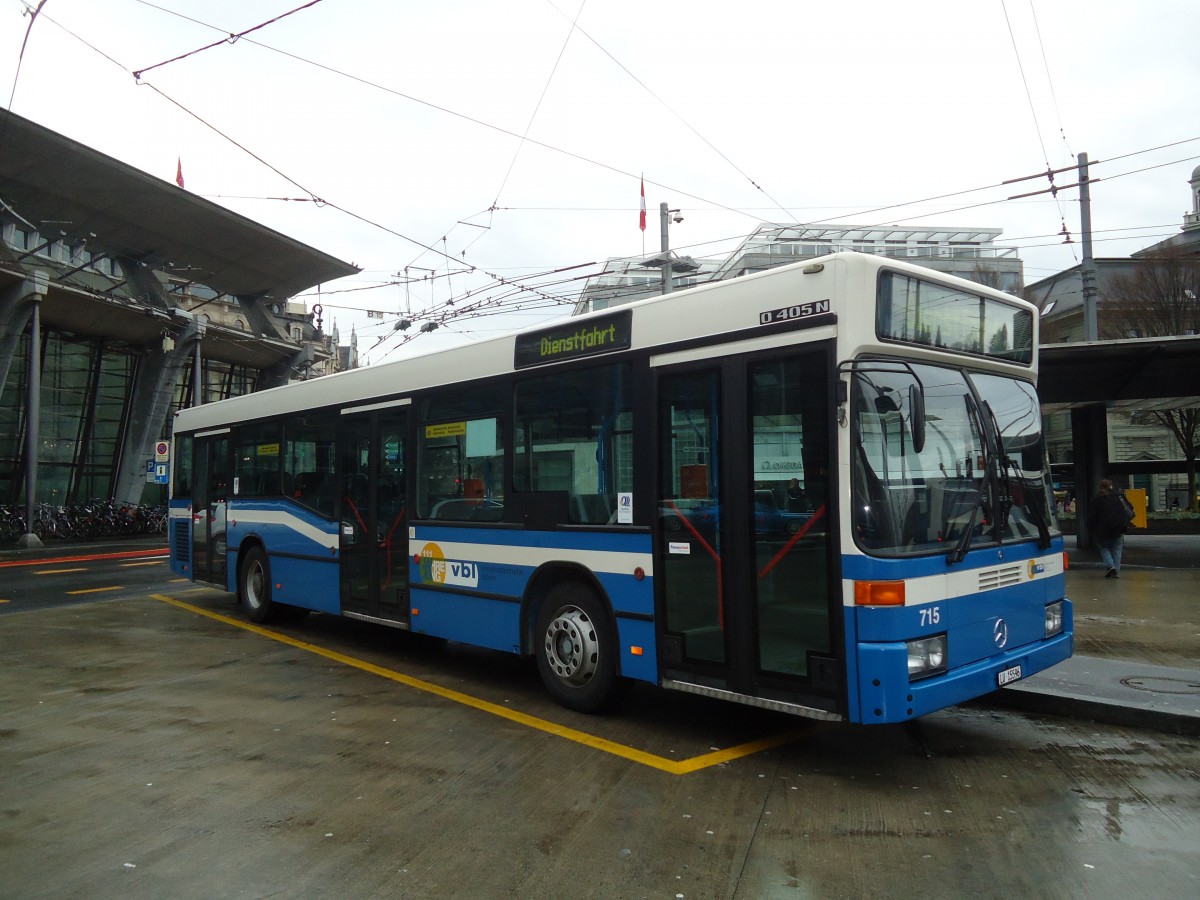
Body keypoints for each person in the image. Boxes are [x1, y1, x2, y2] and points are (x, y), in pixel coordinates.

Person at [1087, 478, 1132, 578]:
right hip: (1118, 528)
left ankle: (1111, 566)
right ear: (1111, 486)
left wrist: (1090, 528)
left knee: (1104, 547)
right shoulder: (1119, 496)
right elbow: (1130, 508)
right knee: (1117, 549)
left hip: (1102, 530)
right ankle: (1116, 571)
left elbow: (1092, 516)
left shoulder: (1096, 499)